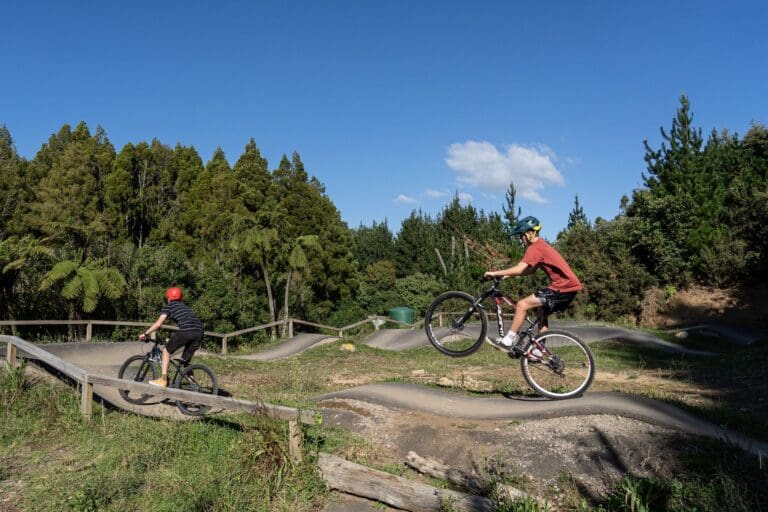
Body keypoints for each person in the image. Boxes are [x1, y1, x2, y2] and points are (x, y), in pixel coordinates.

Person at [483, 216, 582, 356]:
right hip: (569, 288)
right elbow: (529, 270)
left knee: (522, 304)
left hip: (563, 287)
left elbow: (519, 268)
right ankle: (539, 350)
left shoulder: (535, 248)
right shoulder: (541, 246)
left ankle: (508, 340)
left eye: (521, 236)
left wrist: (494, 273)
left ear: (529, 234)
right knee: (541, 312)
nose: (521, 239)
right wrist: (506, 275)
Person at [139, 286, 204, 387]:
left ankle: (163, 380)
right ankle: (194, 387)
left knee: (166, 351)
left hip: (186, 331)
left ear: (168, 298)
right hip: (199, 331)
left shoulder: (169, 306)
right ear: (180, 298)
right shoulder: (186, 307)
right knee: (185, 362)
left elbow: (158, 324)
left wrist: (146, 333)